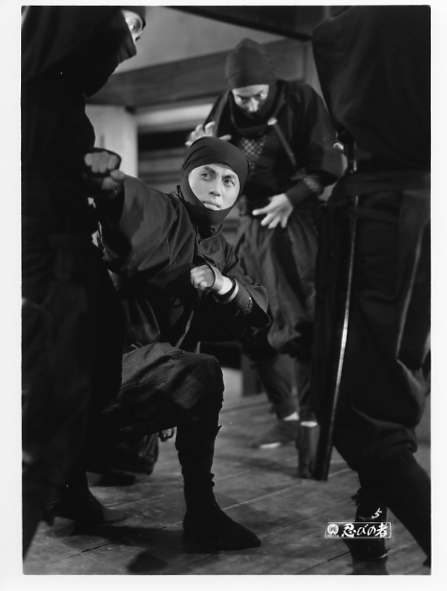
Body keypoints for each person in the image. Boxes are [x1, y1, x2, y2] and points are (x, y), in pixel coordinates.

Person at [84, 137, 268, 551]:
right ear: (186, 177)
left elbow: (258, 310)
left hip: (133, 375)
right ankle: (202, 514)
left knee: (135, 464)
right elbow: (133, 209)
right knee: (201, 372)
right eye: (206, 175)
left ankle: (73, 475)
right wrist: (109, 184)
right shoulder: (166, 212)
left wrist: (223, 285)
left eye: (229, 181)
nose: (216, 188)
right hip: (93, 375)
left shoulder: (221, 250)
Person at [21, 6, 146, 556]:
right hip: (44, 257)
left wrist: (93, 180)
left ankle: (69, 486)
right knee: (56, 386)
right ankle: (51, 494)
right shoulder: (30, 99)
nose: (125, 49)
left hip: (66, 250)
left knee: (91, 364)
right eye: (124, 27)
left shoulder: (59, 99)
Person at [187, 39, 343, 474]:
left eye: (257, 96)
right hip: (251, 222)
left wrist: (291, 198)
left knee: (303, 323)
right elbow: (209, 159)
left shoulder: (300, 98)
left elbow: (329, 164)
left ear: (271, 86)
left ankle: (311, 432)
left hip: (296, 219)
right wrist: (201, 148)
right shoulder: (226, 105)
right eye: (243, 97)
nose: (251, 104)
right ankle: (286, 418)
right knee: (249, 319)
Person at [311, 6, 430, 564]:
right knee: (392, 379)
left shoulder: (356, 27)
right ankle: (366, 525)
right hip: (415, 204)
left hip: (384, 210)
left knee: (358, 406)